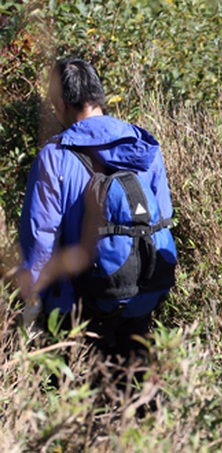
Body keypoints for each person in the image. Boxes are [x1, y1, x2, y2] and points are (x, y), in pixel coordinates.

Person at [17, 57, 175, 366]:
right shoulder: (142, 146)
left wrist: (31, 302)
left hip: (75, 307)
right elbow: (163, 219)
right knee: (130, 392)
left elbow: (40, 239)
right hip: (140, 297)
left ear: (60, 103)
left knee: (75, 399)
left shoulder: (54, 156)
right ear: (98, 95)